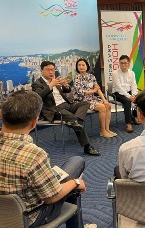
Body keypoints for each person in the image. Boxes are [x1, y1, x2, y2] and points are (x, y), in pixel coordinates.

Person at [0, 90, 86, 227]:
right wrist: (75, 182)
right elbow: (51, 198)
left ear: (1, 114)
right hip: (29, 217)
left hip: (3, 214)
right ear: (35, 122)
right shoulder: (34, 155)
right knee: (77, 162)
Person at [32, 61, 100, 156]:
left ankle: (75, 121)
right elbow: (38, 97)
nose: (51, 72)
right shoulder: (37, 83)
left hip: (66, 105)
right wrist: (51, 85)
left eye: (52, 70)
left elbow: (66, 91)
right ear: (41, 71)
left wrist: (65, 85)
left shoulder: (55, 80)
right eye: (48, 70)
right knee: (73, 119)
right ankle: (87, 147)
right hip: (54, 109)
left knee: (85, 103)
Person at [73, 58, 116, 138]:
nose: (81, 67)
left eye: (83, 65)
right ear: (77, 67)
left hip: (91, 99)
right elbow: (80, 92)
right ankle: (102, 131)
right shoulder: (76, 78)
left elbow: (97, 89)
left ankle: (107, 129)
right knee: (102, 107)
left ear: (87, 66)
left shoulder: (91, 76)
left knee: (108, 105)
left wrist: (104, 100)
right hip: (81, 101)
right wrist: (93, 91)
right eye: (79, 65)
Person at [112, 55, 140, 133]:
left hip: (129, 92)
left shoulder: (132, 73)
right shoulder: (115, 73)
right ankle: (128, 123)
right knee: (127, 101)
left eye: (125, 63)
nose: (123, 65)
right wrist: (129, 96)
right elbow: (119, 88)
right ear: (119, 64)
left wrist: (134, 95)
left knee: (139, 98)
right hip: (118, 93)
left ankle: (134, 116)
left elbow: (134, 85)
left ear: (129, 63)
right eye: (121, 63)